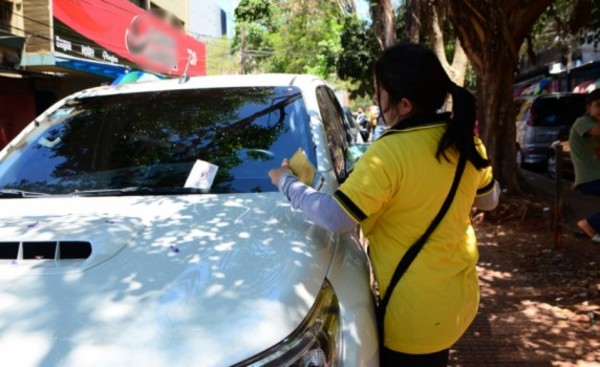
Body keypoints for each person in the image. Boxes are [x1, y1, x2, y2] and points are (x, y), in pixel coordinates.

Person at [269, 43, 500, 366]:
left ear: (403, 104)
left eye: (379, 92)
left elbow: (335, 217)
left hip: (414, 313)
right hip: (459, 298)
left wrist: (286, 182)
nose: (376, 100)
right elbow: (490, 200)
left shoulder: (388, 153)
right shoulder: (466, 142)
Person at [569, 89, 600, 243]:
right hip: (591, 178)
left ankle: (594, 234)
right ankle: (589, 223)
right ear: (588, 108)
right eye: (598, 106)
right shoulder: (583, 122)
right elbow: (597, 132)